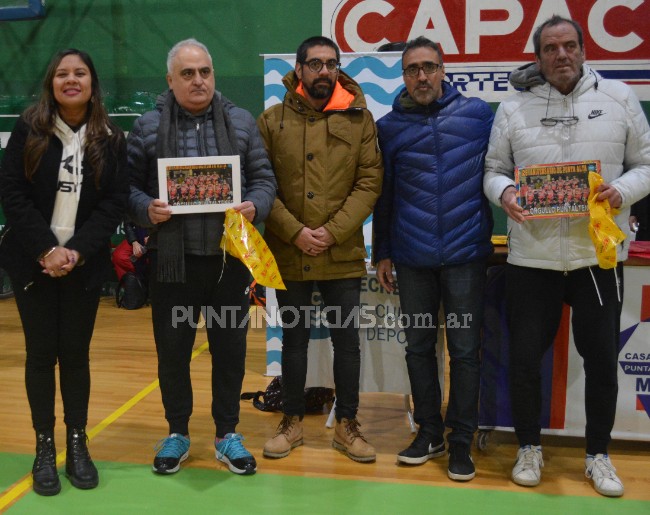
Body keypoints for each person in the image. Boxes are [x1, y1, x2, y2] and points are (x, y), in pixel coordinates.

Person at [483, 15, 650, 497]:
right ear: (538, 57)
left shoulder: (618, 98)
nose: (561, 55)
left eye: (570, 46)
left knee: (600, 358)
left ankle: (598, 454)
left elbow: (645, 165)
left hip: (597, 255)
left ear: (583, 49)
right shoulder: (514, 105)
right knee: (524, 357)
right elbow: (493, 169)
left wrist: (621, 190)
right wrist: (507, 193)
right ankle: (528, 448)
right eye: (551, 48)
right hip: (531, 258)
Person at [127, 38, 275, 476]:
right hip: (173, 266)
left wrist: (254, 205)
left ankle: (227, 434)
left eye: (205, 72)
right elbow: (128, 188)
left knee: (229, 351)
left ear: (214, 75)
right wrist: (144, 209)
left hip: (229, 264)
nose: (198, 80)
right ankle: (177, 433)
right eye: (187, 74)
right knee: (173, 352)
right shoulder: (147, 126)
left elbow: (265, 180)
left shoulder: (242, 122)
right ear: (170, 80)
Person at [0, 49, 127, 495]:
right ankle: (43, 446)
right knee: (40, 356)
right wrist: (45, 251)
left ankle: (77, 444)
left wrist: (73, 252)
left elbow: (113, 202)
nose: (71, 80)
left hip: (83, 266)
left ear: (92, 83)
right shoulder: (29, 127)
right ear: (51, 83)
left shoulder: (110, 137)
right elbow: (12, 194)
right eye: (62, 74)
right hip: (33, 263)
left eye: (80, 73)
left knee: (75, 356)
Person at [372, 36, 494, 481]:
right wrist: (382, 251)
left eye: (428, 67)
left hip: (466, 256)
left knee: (464, 352)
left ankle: (461, 439)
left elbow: (502, 169)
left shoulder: (479, 116)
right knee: (420, 348)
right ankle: (429, 432)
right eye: (412, 70)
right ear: (402, 76)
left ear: (443, 70)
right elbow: (383, 197)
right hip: (412, 257)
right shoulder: (388, 128)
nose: (421, 76)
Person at [257, 36, 383, 462]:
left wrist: (332, 232)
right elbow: (262, 185)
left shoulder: (360, 120)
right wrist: (294, 232)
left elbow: (370, 183)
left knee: (347, 342)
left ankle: (347, 425)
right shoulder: (271, 121)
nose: (324, 71)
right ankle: (291, 423)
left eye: (331, 64)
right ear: (298, 70)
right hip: (290, 252)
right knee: (293, 341)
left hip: (342, 253)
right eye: (315, 64)